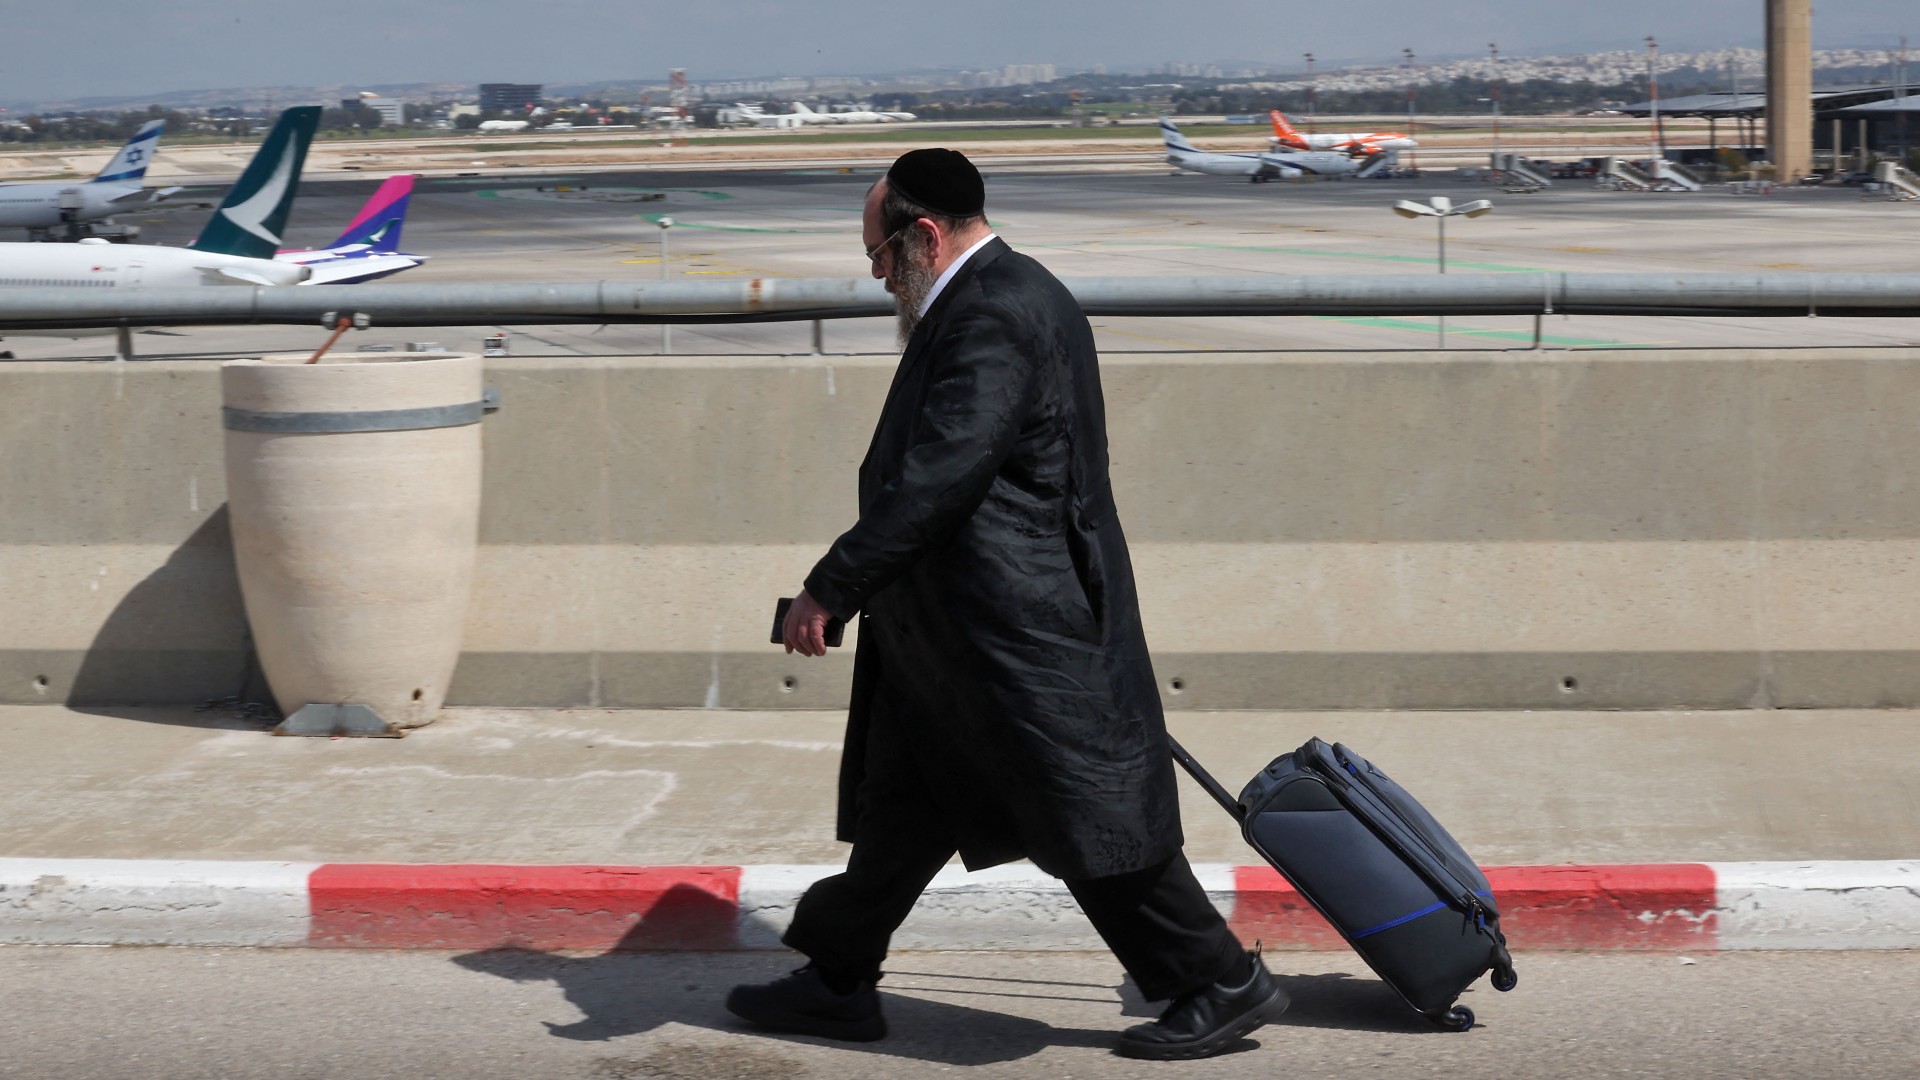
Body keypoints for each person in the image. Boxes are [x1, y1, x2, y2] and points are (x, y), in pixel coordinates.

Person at [725, 148, 1287, 1060]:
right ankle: (837, 978)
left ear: (925, 234)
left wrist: (832, 586)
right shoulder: (997, 295)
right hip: (952, 628)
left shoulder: (994, 313)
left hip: (1017, 627)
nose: (878, 277)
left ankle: (1218, 980)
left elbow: (940, 477)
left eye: (879, 256)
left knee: (1086, 812)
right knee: (901, 807)